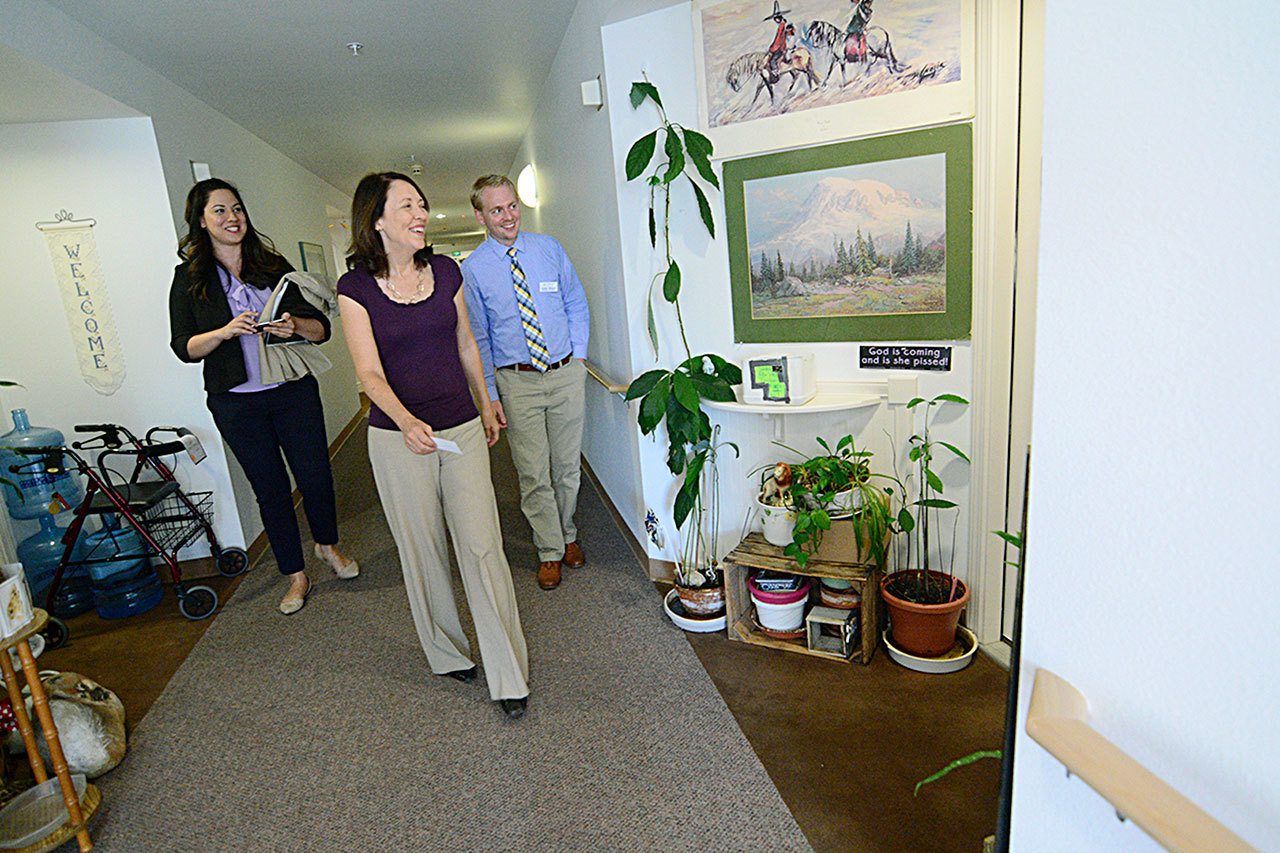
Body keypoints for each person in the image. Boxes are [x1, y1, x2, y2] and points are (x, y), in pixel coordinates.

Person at [336, 172, 530, 720]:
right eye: (407, 206)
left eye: (421, 204)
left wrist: (485, 397)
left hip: (462, 427)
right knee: (422, 550)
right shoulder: (356, 288)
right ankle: (447, 653)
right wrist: (405, 421)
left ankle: (507, 671)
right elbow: (368, 373)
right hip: (397, 440)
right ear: (376, 220)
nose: (420, 214)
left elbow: (466, 342)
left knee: (481, 545)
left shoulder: (447, 271)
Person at [168, 178, 359, 616]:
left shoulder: (272, 266)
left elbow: (321, 329)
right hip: (236, 403)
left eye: (237, 208)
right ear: (201, 220)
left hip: (292, 392)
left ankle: (328, 547)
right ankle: (295, 574)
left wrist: (294, 327)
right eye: (219, 210)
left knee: (315, 477)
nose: (232, 217)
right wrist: (223, 332)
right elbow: (183, 347)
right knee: (270, 490)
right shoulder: (189, 280)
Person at [461, 175, 590, 592]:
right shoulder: (474, 269)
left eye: (512, 206)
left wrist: (580, 356)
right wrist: (489, 396)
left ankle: (567, 532)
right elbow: (478, 337)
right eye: (497, 210)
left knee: (568, 467)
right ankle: (549, 549)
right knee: (534, 473)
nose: (508, 216)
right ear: (480, 216)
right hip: (517, 381)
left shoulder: (548, 249)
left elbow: (575, 301)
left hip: (566, 371)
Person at [763, 1, 794, 79]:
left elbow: (778, 40)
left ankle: (775, 73)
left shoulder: (782, 26)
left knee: (772, 61)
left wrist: (772, 49)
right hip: (781, 46)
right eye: (775, 19)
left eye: (776, 19)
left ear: (779, 18)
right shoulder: (783, 25)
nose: (775, 20)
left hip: (781, 48)